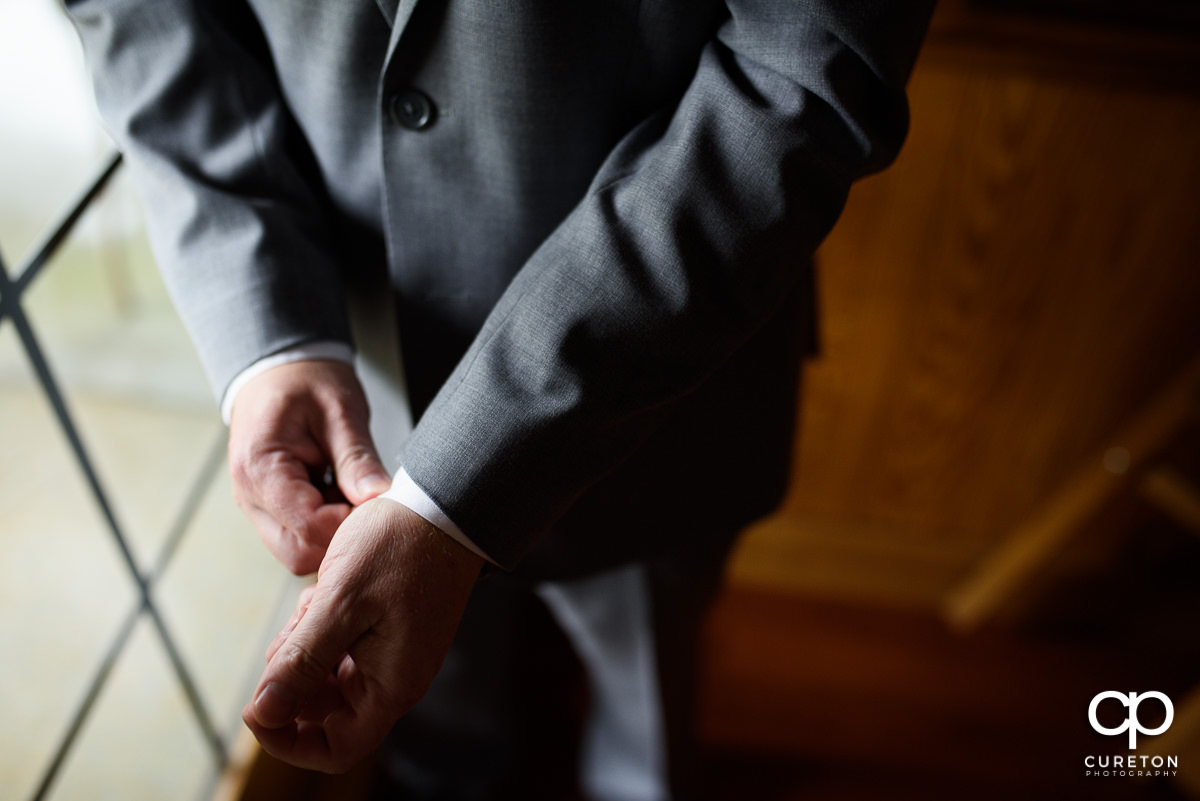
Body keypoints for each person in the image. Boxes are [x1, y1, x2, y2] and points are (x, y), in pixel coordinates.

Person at [67, 1, 935, 798]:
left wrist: (453, 501)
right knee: (435, 725)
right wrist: (271, 339)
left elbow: (805, 76)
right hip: (364, 354)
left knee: (645, 709)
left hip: (662, 384)